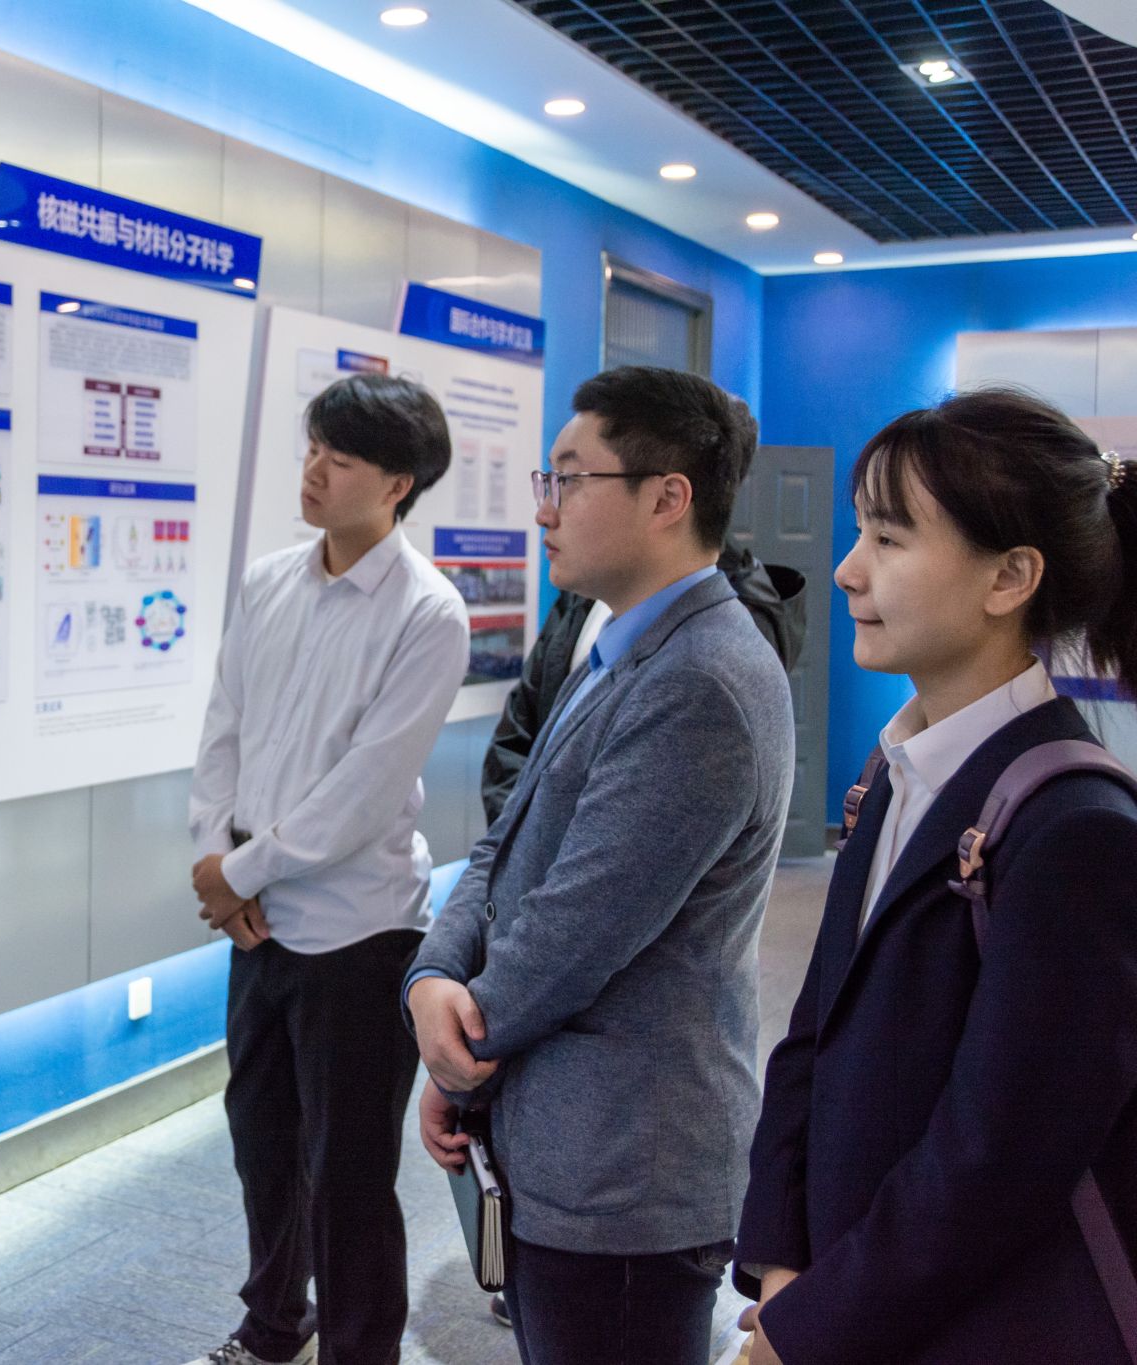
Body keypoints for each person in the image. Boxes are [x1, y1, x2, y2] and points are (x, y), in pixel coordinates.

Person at [735, 388, 1137, 1364]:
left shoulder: (1077, 830)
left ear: (1009, 577)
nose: (846, 570)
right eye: (856, 533)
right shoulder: (893, 772)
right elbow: (814, 1032)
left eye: (888, 539)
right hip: (841, 1294)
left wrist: (811, 1326)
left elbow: (995, 1162)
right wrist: (782, 1261)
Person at [405, 365, 794, 1365]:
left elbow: (575, 926)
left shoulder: (701, 678)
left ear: (667, 498)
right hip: (567, 1144)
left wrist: (457, 1049)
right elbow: (506, 842)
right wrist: (433, 974)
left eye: (570, 479)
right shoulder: (620, 645)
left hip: (626, 1171)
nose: (544, 507)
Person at [186, 372, 471, 1365]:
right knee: (261, 1142)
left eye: (338, 459)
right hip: (258, 921)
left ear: (396, 485)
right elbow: (223, 728)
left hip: (359, 928)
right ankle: (273, 1323)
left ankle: (359, 1350)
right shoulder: (268, 581)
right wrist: (213, 853)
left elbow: (365, 787)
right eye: (312, 447)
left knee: (347, 1173)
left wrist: (243, 870)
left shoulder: (428, 612)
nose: (312, 470)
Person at [480, 537, 805, 824]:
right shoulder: (584, 595)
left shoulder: (728, 622)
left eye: (575, 489)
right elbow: (518, 732)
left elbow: (663, 815)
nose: (548, 513)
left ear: (666, 501)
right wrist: (512, 842)